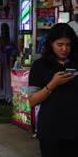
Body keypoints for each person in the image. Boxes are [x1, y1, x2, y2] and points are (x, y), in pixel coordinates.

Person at [28, 23, 78, 156]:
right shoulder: (40, 65)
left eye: (68, 45)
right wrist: (53, 84)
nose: (64, 49)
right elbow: (32, 101)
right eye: (60, 44)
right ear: (51, 44)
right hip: (50, 131)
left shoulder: (76, 63)